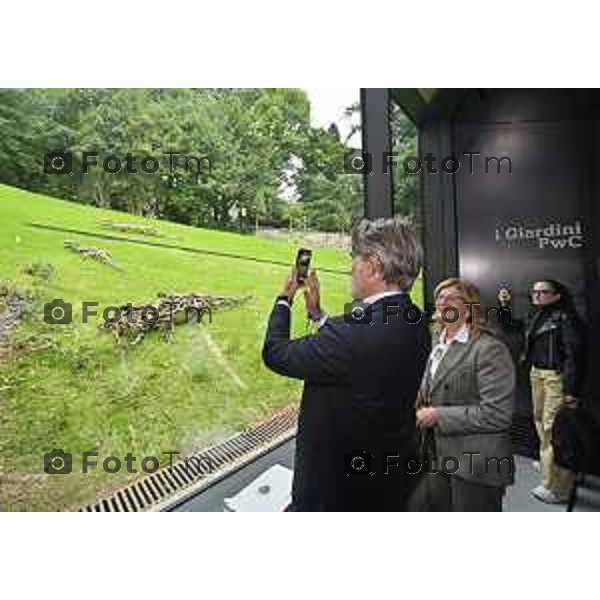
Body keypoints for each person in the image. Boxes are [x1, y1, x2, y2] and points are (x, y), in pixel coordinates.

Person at [262, 216, 430, 511]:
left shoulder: (352, 334)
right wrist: (317, 314)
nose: (350, 266)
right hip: (386, 480)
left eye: (355, 258)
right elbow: (359, 359)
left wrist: (284, 299)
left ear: (374, 266)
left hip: (337, 492)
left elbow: (276, 353)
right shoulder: (413, 318)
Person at [408, 278, 516, 511]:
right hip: (440, 455)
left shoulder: (489, 349)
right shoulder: (438, 341)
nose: (441, 302)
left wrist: (438, 415)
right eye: (439, 297)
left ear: (469, 309)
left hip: (476, 464)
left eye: (451, 298)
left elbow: (497, 414)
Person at [521, 279, 587, 504]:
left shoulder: (565, 319)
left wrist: (570, 390)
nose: (537, 295)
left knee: (553, 427)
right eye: (535, 291)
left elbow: (573, 356)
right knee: (541, 422)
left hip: (554, 377)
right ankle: (549, 464)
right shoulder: (536, 316)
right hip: (537, 374)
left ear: (557, 295)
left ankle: (558, 487)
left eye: (543, 292)